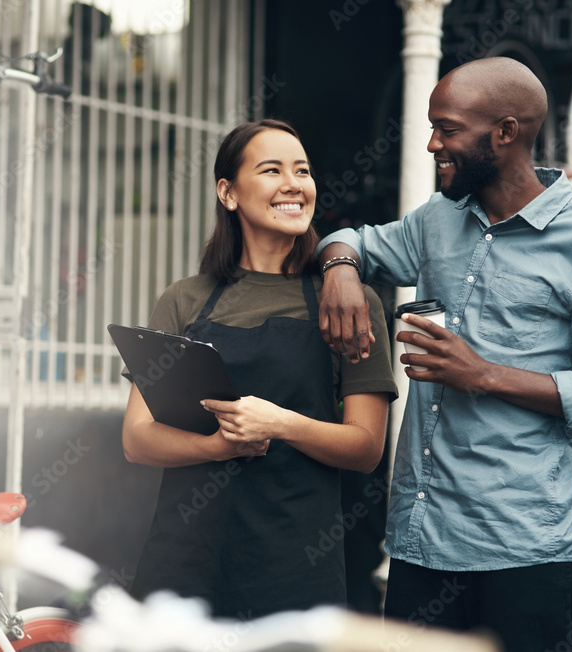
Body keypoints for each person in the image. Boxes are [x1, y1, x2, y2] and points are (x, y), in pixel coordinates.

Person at [315, 58, 572, 651]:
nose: (431, 144)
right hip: (420, 547)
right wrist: (342, 269)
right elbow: (355, 242)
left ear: (504, 132)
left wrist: (484, 376)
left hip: (527, 558)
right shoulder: (437, 220)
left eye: (447, 129)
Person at [122, 119, 398, 619]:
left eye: (303, 171)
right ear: (228, 192)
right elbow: (138, 439)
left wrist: (280, 423)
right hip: (186, 559)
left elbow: (366, 448)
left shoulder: (351, 304)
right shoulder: (185, 300)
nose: (294, 184)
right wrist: (216, 446)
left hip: (294, 567)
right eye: (272, 170)